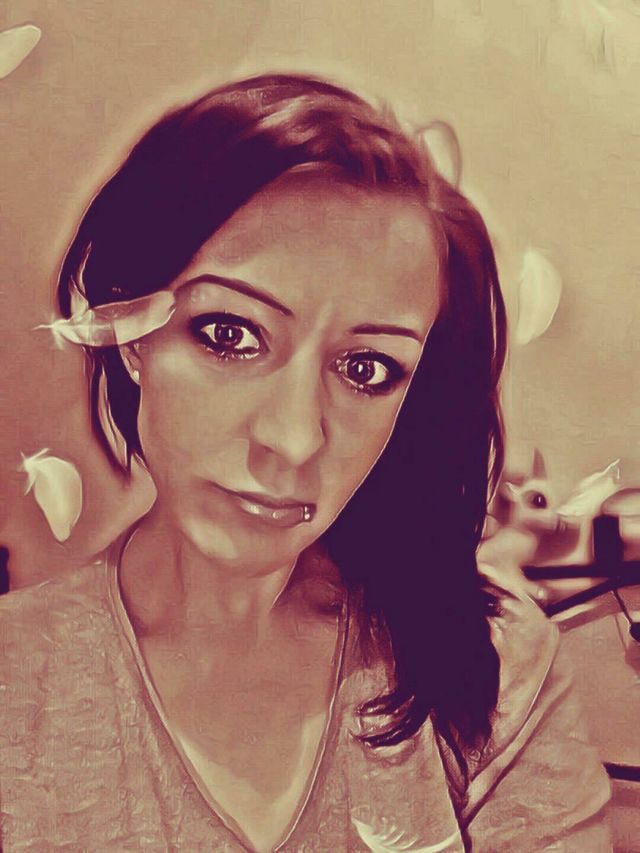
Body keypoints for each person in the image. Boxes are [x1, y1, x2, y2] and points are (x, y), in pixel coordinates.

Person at [0, 73, 611, 852]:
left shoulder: (491, 661)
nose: (294, 438)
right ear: (130, 334)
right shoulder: (17, 684)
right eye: (229, 334)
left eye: (366, 368)